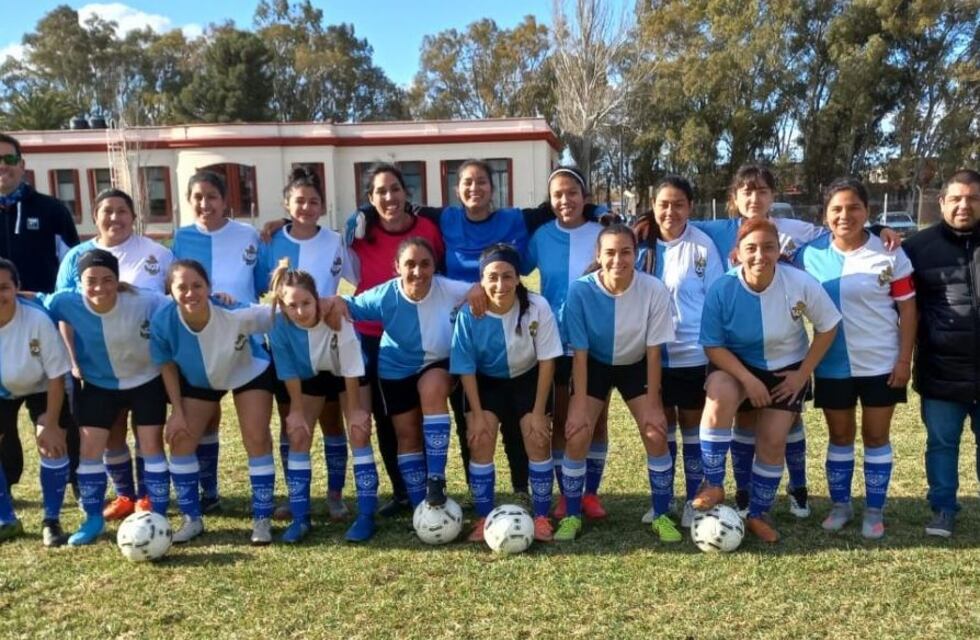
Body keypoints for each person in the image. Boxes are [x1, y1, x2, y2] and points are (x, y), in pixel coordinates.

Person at [694, 218, 840, 542]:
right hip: (737, 366)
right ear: (737, 253)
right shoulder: (723, 288)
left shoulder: (799, 282)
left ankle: (759, 514)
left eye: (768, 247)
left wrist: (802, 374)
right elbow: (712, 345)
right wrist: (747, 380)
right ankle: (714, 483)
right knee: (718, 395)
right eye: (751, 248)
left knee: (773, 440)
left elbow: (828, 325)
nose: (760, 255)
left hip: (786, 369)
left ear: (778, 250)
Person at [794, 178, 916, 539]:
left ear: (867, 211)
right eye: (836, 209)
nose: (844, 215)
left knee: (876, 436)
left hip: (882, 362)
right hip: (832, 364)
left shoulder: (889, 251)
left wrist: (904, 360)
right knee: (840, 435)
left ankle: (874, 510)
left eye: (854, 208)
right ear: (825, 215)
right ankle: (841, 506)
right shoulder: (809, 255)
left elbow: (908, 310)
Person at [55, 188, 174, 520]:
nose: (114, 217)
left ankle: (147, 497)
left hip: (147, 366)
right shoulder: (75, 256)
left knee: (147, 434)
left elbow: (174, 300)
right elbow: (65, 312)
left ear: (133, 216)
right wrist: (73, 361)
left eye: (122, 211)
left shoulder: (158, 253)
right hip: (98, 368)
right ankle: (124, 495)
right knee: (112, 433)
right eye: (106, 211)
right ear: (95, 216)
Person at [556, 224, 677, 542]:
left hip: (636, 365)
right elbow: (579, 355)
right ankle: (572, 515)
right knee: (578, 433)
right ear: (598, 255)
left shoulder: (653, 289)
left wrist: (655, 405)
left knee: (655, 431)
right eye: (610, 252)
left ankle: (661, 515)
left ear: (636, 254)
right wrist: (577, 406)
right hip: (594, 365)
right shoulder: (580, 291)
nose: (618, 260)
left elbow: (654, 353)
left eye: (626, 252)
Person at [41, 249, 170, 545]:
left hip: (146, 380)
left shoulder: (144, 300)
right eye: (91, 280)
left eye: (107, 279)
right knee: (90, 449)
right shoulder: (65, 301)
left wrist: (223, 300)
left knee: (151, 444)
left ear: (117, 279)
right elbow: (33, 301)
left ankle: (157, 513)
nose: (99, 287)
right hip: (99, 384)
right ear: (80, 282)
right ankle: (93, 519)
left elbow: (181, 304)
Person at [336, 238, 471, 510]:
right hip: (395, 368)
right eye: (410, 264)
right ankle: (422, 507)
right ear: (397, 266)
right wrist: (333, 302)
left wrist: (478, 291)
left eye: (425, 264)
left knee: (433, 388)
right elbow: (348, 305)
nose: (418, 272)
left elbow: (480, 290)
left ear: (434, 266)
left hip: (436, 362)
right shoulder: (385, 294)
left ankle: (435, 479)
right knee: (407, 434)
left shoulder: (449, 288)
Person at [342, 163, 444, 517]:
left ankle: (435, 487)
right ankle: (404, 492)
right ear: (370, 199)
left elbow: (438, 271)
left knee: (429, 412)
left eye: (395, 189)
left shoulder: (427, 228)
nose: (389, 197)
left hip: (421, 332)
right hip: (374, 336)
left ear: (406, 192)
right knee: (388, 418)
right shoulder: (360, 232)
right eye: (380, 192)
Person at [150, 259, 276, 544]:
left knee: (257, 438)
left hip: (248, 371)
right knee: (181, 440)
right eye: (182, 287)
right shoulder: (163, 321)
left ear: (209, 287)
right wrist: (177, 412)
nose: (190, 293)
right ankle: (191, 519)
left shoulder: (232, 311)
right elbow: (166, 365)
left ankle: (262, 519)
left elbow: (278, 314)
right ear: (170, 290)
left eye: (197, 285)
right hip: (200, 380)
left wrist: (327, 305)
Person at [258, 167, 356, 522]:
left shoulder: (333, 240)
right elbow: (260, 287)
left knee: (332, 425)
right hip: (288, 345)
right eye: (299, 201)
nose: (307, 207)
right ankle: (293, 495)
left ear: (322, 207)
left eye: (314, 202)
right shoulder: (270, 240)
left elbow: (353, 279)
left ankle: (335, 495)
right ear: (287, 204)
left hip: (327, 341)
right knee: (293, 424)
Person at [451, 244, 563, 542]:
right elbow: (465, 368)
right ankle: (483, 517)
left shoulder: (537, 306)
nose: (500, 284)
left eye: (507, 276)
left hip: (528, 379)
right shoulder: (469, 313)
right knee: (480, 439)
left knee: (537, 438)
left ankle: (541, 517)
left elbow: (547, 361)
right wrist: (475, 414)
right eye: (492, 277)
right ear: (481, 280)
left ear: (518, 278)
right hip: (486, 382)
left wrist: (538, 412)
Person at [171, 171, 263, 514]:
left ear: (225, 201)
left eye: (212, 196)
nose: (205, 203)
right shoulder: (181, 237)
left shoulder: (248, 235)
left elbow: (262, 283)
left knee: (254, 429)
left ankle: (263, 502)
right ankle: (209, 491)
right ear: (189, 200)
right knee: (205, 420)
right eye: (197, 197)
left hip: (244, 344)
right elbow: (174, 287)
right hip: (200, 345)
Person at [636, 176, 725, 527]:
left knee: (691, 428)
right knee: (659, 429)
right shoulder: (639, 243)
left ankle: (692, 500)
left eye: (678, 204)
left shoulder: (702, 245)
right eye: (663, 204)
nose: (670, 211)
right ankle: (662, 502)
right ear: (653, 205)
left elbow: (715, 299)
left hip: (692, 353)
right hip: (649, 354)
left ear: (690, 207)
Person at [524, 167, 610, 521]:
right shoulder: (541, 236)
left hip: (597, 338)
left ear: (585, 197)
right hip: (556, 341)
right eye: (557, 194)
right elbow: (517, 267)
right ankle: (566, 493)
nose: (565, 200)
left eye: (572, 192)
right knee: (562, 419)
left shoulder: (602, 232)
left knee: (596, 420)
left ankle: (590, 493)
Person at [267, 260, 375, 543]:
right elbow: (288, 370)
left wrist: (355, 411)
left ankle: (364, 515)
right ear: (282, 306)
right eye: (292, 305)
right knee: (298, 435)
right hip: (311, 375)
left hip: (348, 374)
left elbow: (350, 365)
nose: (300, 311)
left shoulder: (335, 315)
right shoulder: (277, 325)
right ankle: (301, 519)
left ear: (317, 299)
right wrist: (296, 411)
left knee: (359, 432)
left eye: (306, 303)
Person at [0, 132, 80, 499]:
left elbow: (74, 267)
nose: (3, 167)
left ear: (22, 165)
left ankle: (78, 484)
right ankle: (6, 492)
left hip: (44, 332)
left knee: (61, 420)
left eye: (9, 159)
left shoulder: (51, 210)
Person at [902, 168, 980, 538]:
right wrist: (879, 231)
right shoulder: (917, 248)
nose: (965, 205)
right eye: (957, 198)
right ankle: (943, 509)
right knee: (942, 445)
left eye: (973, 198)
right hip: (941, 371)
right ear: (942, 202)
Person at [0, 259, 73, 546]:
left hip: (43, 385)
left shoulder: (37, 319)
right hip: (3, 389)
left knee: (52, 443)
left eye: (4, 287)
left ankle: (51, 521)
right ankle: (6, 519)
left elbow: (56, 376)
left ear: (17, 288)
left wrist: (51, 423)